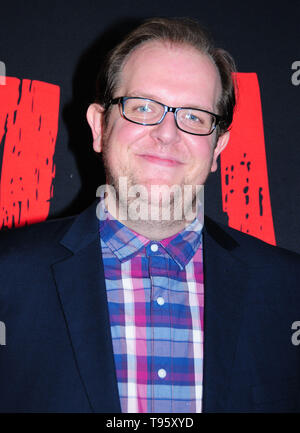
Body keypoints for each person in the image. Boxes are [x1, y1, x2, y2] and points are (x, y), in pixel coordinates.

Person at [0, 17, 300, 414]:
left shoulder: (289, 292)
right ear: (99, 126)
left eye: (193, 116)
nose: (167, 133)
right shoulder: (7, 277)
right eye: (142, 108)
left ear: (218, 147)